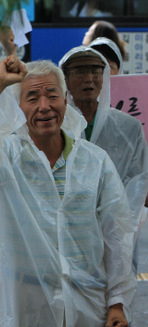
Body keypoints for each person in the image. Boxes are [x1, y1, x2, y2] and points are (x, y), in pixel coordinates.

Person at [0, 57, 136, 326]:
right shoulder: (7, 157)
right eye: (32, 97)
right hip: (25, 304)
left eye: (52, 95)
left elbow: (117, 235)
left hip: (88, 304)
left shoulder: (95, 162)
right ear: (19, 107)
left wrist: (118, 302)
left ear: (65, 99)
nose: (44, 107)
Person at [59, 46, 148, 272]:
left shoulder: (129, 128)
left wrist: (113, 223)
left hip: (115, 234)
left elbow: (136, 185)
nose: (89, 78)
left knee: (116, 297)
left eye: (96, 71)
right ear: (65, 80)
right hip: (65, 234)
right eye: (80, 71)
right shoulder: (53, 125)